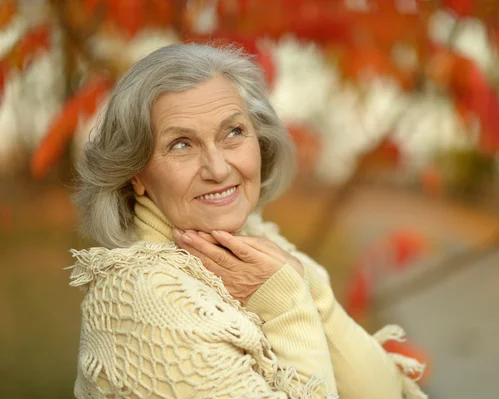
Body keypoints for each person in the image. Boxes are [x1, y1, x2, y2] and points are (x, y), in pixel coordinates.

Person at [69, 43, 427, 399]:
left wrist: (312, 294)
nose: (219, 168)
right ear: (136, 174)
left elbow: (386, 392)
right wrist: (289, 308)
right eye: (181, 144)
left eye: (233, 132)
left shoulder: (255, 242)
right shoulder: (144, 300)